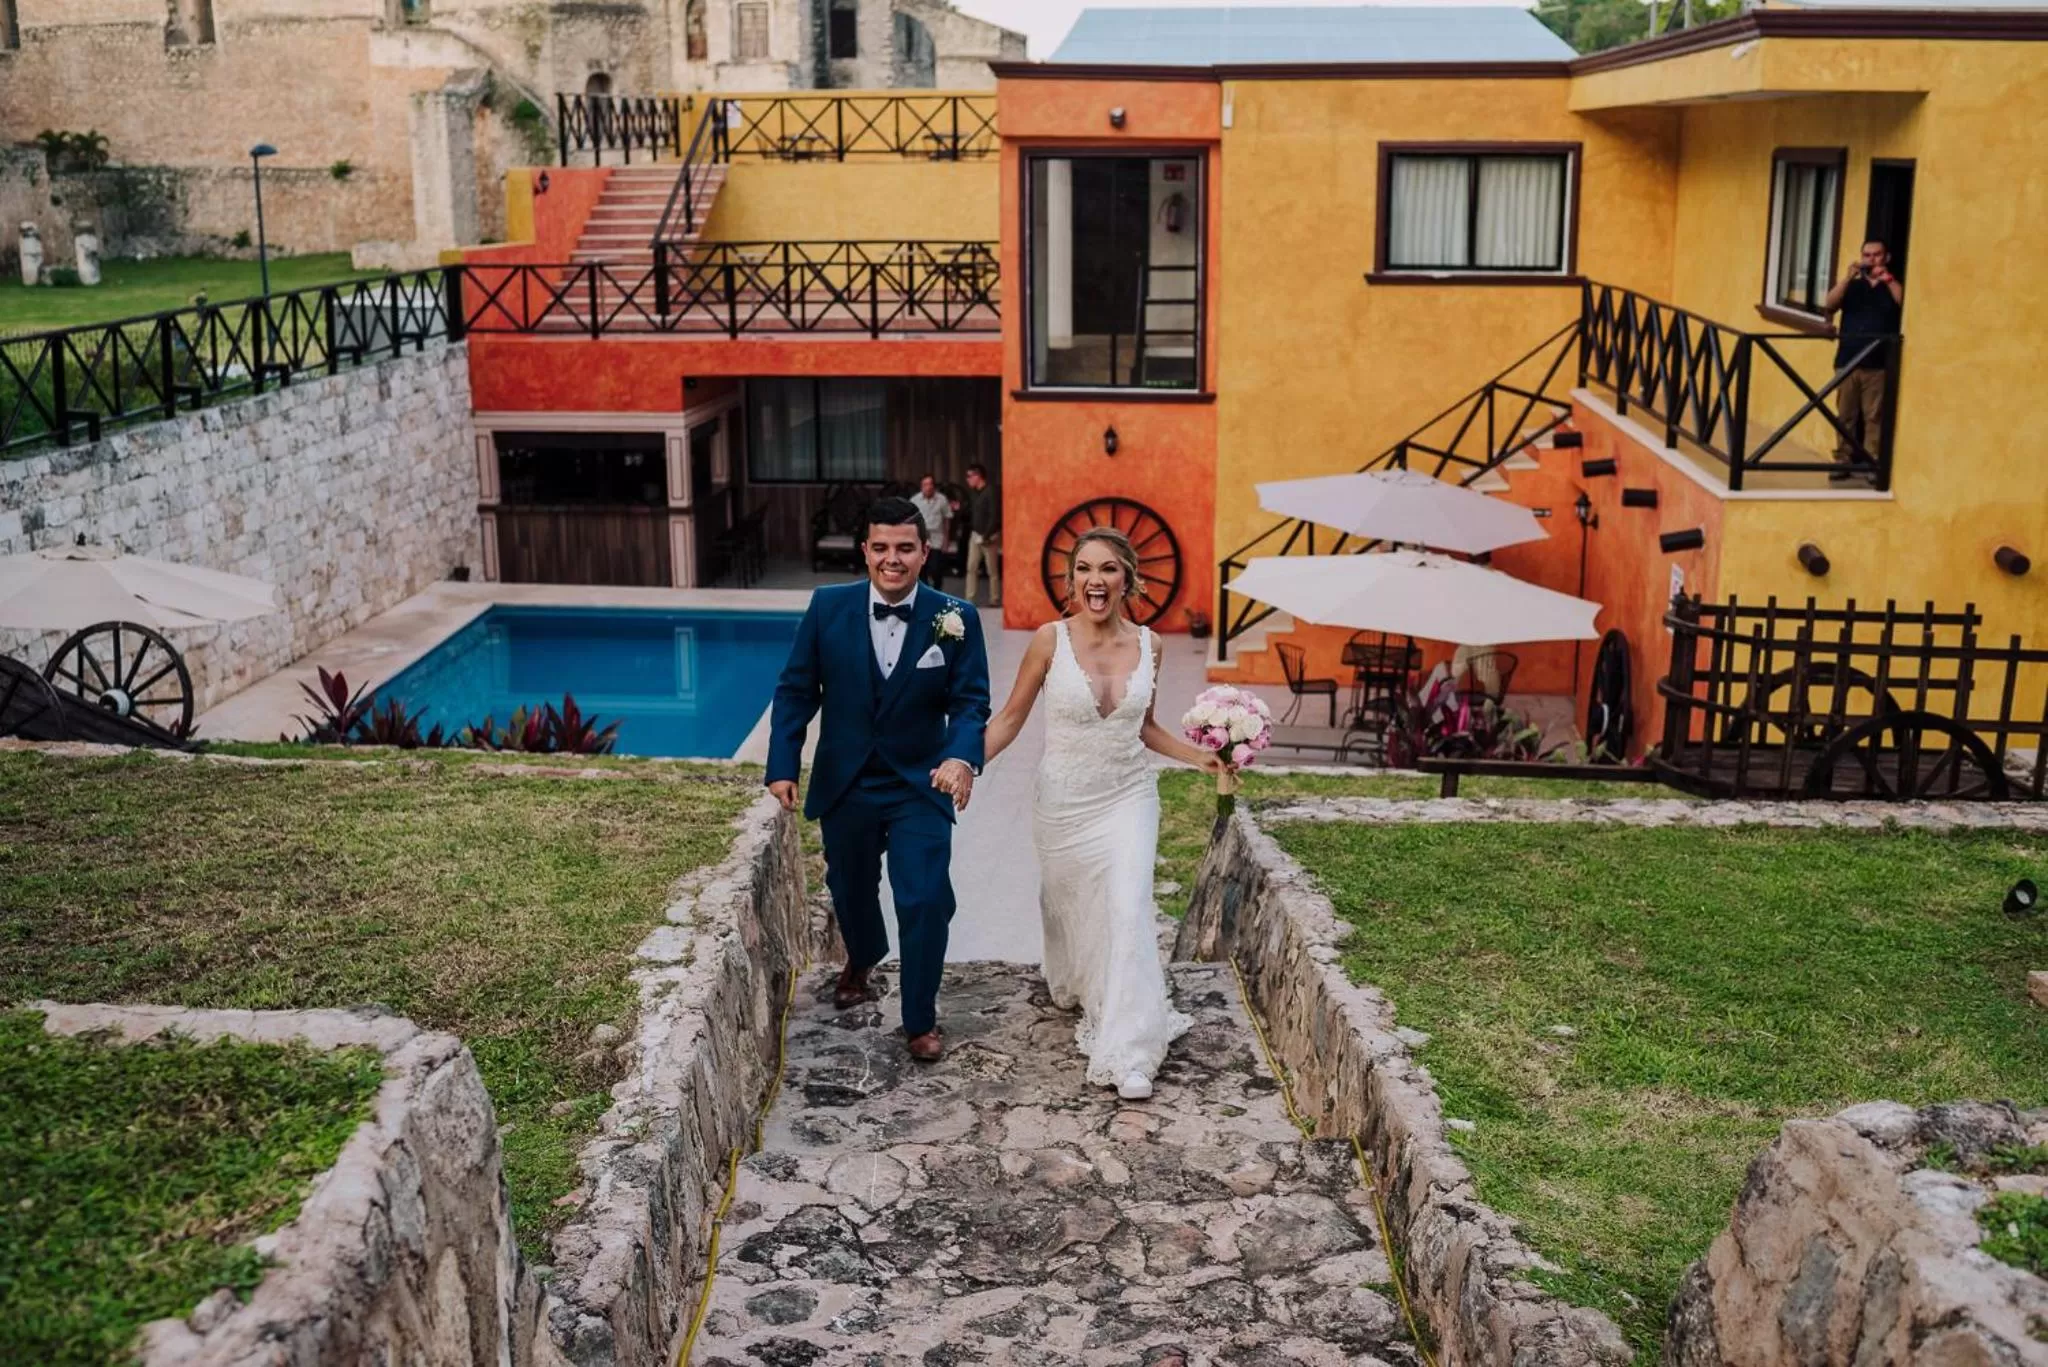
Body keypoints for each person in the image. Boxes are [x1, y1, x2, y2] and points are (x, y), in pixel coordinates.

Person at [981, 527, 1231, 1100]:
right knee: (1070, 905)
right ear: (1072, 580)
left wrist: (1204, 761)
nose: (1097, 580)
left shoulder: (1152, 645)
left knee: (1127, 906)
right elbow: (1012, 718)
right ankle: (1079, 983)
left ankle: (1131, 1048)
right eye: (1086, 569)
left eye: (1110, 569)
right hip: (1064, 802)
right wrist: (964, 763)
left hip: (1129, 796)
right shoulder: (1049, 640)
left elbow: (1142, 728)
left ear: (1128, 579)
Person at [765, 497, 991, 1062]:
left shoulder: (955, 618)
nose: (893, 559)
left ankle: (920, 1018)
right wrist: (782, 765)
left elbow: (970, 703)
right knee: (850, 887)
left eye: (905, 549)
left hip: (921, 782)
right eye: (882, 548)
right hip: (848, 782)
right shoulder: (826, 608)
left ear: (924, 552)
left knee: (926, 898)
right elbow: (797, 690)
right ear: (865, 551)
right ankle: (863, 955)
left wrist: (962, 758)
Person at [1821, 239, 1903, 481]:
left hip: (1878, 362)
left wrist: (1887, 278)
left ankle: (1871, 464)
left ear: (1886, 258)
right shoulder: (1853, 287)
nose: (1872, 259)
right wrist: (1847, 278)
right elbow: (1829, 304)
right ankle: (1842, 461)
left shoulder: (1891, 286)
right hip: (1848, 359)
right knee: (1845, 415)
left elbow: (1903, 302)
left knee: (1874, 417)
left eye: (1877, 255)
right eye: (1867, 255)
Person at [961, 463, 1002, 608]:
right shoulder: (974, 493)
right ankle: (969, 599)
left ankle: (994, 599)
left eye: (969, 476)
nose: (967, 480)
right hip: (975, 535)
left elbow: (994, 515)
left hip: (988, 537)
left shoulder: (990, 491)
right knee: (971, 567)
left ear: (978, 476)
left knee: (992, 570)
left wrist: (987, 534)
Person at [909, 474, 951, 587]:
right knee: (921, 569)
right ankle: (926, 594)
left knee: (936, 569)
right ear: (921, 486)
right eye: (925, 484)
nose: (928, 487)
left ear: (934, 485)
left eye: (930, 484)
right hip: (920, 538)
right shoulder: (914, 500)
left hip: (937, 538)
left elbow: (947, 519)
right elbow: (909, 520)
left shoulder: (942, 499)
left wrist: (946, 541)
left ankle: (937, 592)